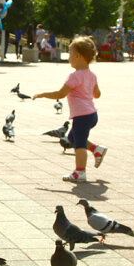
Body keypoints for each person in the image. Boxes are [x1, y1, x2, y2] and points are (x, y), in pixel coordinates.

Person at [32, 36, 107, 183]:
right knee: (72, 138)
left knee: (79, 144)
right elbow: (97, 94)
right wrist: (87, 91)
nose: (69, 58)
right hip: (92, 115)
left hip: (82, 116)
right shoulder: (91, 75)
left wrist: (43, 94)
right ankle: (97, 149)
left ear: (78, 56)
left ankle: (80, 172)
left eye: (70, 54)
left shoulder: (74, 76)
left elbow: (60, 94)